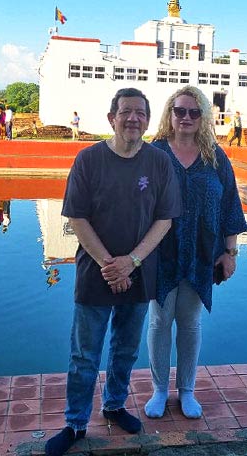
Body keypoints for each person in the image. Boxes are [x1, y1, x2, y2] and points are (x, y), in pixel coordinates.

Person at [45, 88, 181, 456]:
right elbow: (77, 217)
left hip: (138, 273)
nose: (133, 118)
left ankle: (114, 405)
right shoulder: (88, 160)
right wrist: (111, 264)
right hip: (96, 274)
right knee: (84, 355)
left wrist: (131, 262)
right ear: (111, 118)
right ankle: (75, 423)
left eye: (140, 113)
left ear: (148, 121)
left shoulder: (158, 162)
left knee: (125, 349)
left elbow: (165, 219)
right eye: (126, 112)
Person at [146, 86, 247, 420]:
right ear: (170, 114)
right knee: (160, 321)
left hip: (202, 254)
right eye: (180, 111)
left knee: (189, 323)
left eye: (194, 112)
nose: (186, 118)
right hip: (161, 253)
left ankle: (186, 390)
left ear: (203, 116)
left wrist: (230, 252)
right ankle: (160, 390)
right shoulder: (155, 153)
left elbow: (231, 204)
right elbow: (136, 200)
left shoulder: (215, 157)